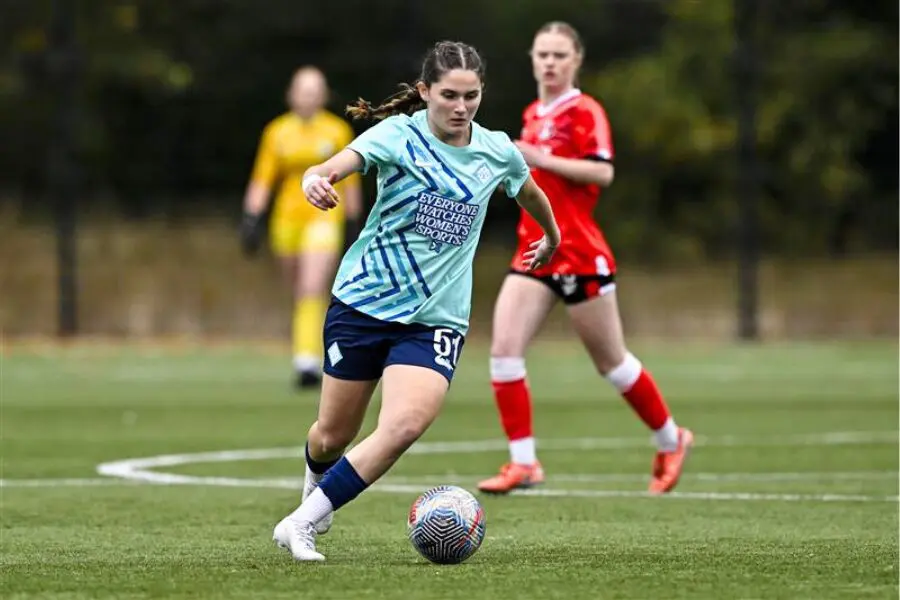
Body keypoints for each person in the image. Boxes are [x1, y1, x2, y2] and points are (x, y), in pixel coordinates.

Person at [271, 40, 562, 562]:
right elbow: (338, 164)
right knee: (332, 435)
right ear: (425, 92)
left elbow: (528, 188)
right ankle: (315, 485)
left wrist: (552, 235)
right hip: (362, 303)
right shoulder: (398, 135)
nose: (461, 107)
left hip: (434, 319)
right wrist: (316, 180)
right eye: (449, 95)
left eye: (471, 96)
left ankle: (301, 522)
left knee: (405, 424)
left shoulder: (495, 150)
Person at [476, 21, 693, 496]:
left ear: (576, 60)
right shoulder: (533, 112)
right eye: (542, 55)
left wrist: (540, 158)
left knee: (612, 363)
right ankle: (524, 463)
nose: (549, 63)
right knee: (504, 352)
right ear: (532, 60)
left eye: (559, 55)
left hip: (577, 253)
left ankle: (671, 438)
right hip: (533, 252)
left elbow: (603, 172)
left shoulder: (585, 111)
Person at [240, 66, 363, 389]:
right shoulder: (277, 132)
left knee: (311, 286)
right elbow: (262, 180)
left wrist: (353, 222)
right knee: (299, 291)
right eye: (302, 90)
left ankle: (307, 361)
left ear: (323, 96)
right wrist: (252, 218)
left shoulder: (336, 131)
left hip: (324, 216)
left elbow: (350, 185)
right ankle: (307, 349)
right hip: (286, 220)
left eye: (315, 91)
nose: (308, 97)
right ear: (291, 95)